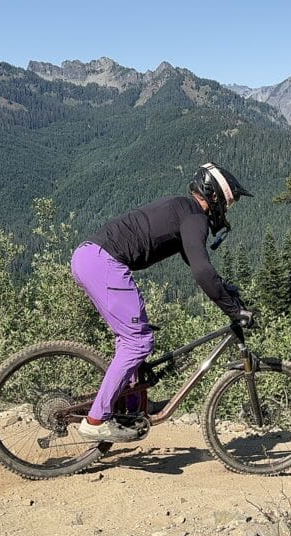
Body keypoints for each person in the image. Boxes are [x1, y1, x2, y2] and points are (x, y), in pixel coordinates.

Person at [70, 162, 254, 442]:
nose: (227, 211)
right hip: (103, 262)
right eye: (229, 203)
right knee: (138, 342)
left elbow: (200, 266)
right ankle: (95, 421)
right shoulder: (195, 218)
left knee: (133, 337)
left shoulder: (184, 210)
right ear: (214, 197)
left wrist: (227, 293)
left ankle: (133, 408)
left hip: (91, 258)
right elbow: (203, 272)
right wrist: (234, 310)